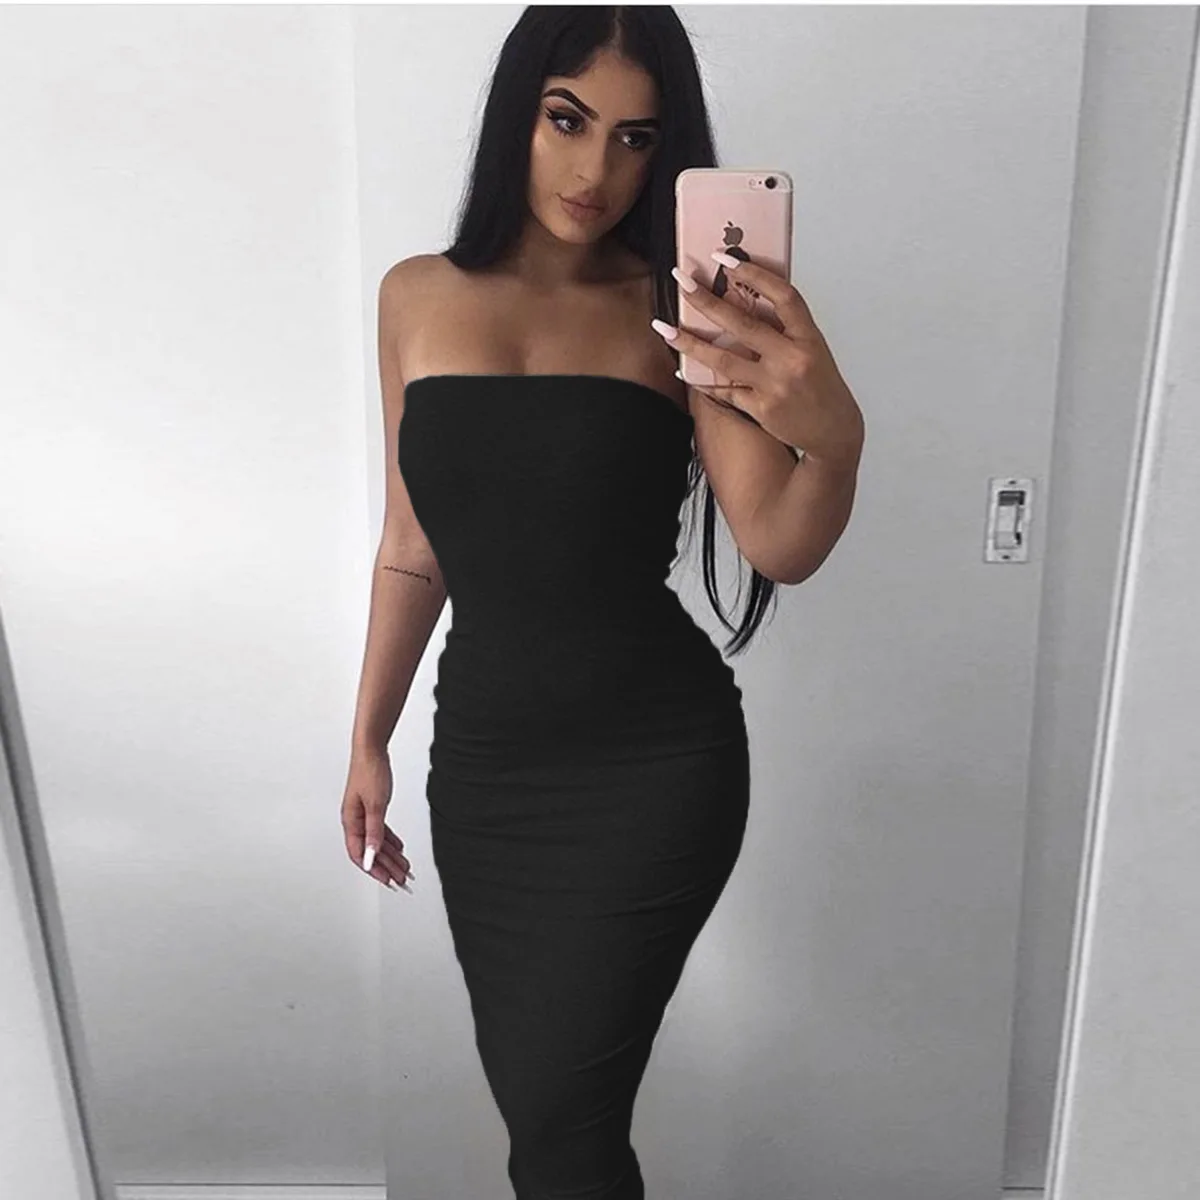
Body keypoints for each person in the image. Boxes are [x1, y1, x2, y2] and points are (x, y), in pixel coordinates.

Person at [341, 8, 864, 1199]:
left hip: (652, 769)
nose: (596, 170)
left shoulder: (683, 308)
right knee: (545, 1121)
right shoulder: (413, 296)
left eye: (637, 138)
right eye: (567, 120)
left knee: (562, 1128)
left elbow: (779, 542)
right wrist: (369, 737)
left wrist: (835, 442)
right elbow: (413, 548)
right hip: (486, 774)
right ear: (517, 114)